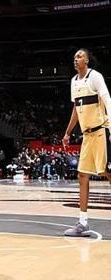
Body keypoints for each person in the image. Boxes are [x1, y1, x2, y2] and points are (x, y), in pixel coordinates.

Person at [62, 48, 111, 237]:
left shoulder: (95, 77)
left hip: (101, 131)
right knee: (82, 175)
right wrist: (67, 133)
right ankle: (82, 223)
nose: (76, 59)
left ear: (87, 60)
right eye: (75, 56)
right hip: (87, 135)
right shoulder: (74, 81)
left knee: (107, 173)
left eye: (80, 56)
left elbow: (107, 100)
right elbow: (76, 108)